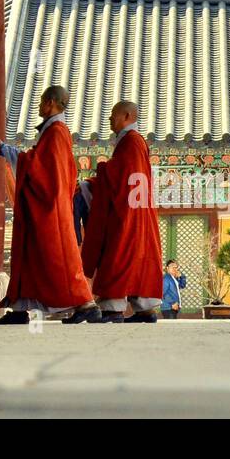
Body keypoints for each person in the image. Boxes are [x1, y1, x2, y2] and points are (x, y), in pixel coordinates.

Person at [0, 85, 102, 325]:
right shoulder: (54, 131)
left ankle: (85, 303)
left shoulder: (56, 132)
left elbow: (40, 169)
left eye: (42, 101)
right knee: (31, 257)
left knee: (59, 260)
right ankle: (20, 308)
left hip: (51, 210)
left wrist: (5, 150)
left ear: (52, 102)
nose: (39, 106)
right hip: (46, 206)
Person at [80, 100, 163, 323]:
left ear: (127, 116)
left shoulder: (131, 142)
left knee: (116, 254)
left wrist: (102, 169)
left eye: (113, 116)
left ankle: (112, 308)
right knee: (137, 258)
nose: (109, 120)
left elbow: (121, 174)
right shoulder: (136, 142)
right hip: (137, 211)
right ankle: (144, 309)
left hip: (127, 213)